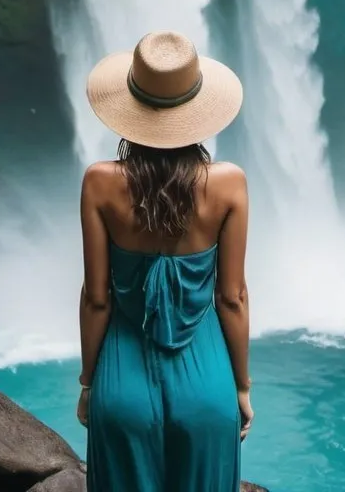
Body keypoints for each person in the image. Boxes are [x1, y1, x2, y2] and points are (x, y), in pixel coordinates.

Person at [76, 30, 253, 492]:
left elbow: (97, 299)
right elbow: (232, 298)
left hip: (122, 384)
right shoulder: (230, 184)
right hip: (208, 385)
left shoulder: (98, 183)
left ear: (130, 109)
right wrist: (242, 388)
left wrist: (89, 384)